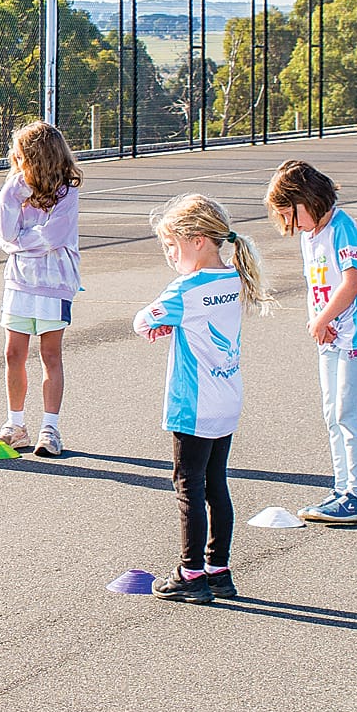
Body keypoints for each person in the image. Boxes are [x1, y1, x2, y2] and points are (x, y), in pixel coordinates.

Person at [132, 194, 271, 604]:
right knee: (216, 483)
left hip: (192, 403)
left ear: (196, 240)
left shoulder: (186, 288)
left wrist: (160, 326)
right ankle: (219, 569)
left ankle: (190, 573)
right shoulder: (234, 278)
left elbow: (142, 320)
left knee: (187, 485)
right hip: (227, 396)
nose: (171, 256)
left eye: (172, 246)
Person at [265, 160, 357, 525]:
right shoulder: (310, 235)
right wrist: (322, 320)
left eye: (291, 213)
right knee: (333, 415)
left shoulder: (342, 229)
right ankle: (342, 488)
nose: (291, 224)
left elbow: (351, 283)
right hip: (331, 335)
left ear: (310, 199)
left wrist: (324, 318)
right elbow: (320, 286)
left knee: (350, 416)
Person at [0, 120, 82, 459]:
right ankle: (16, 425)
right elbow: (6, 232)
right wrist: (9, 199)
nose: (15, 158)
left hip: (54, 286)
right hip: (19, 284)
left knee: (50, 355)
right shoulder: (15, 188)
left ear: (37, 156)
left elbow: (50, 238)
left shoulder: (67, 195)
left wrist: (14, 244)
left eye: (21, 154)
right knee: (14, 354)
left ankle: (50, 427)